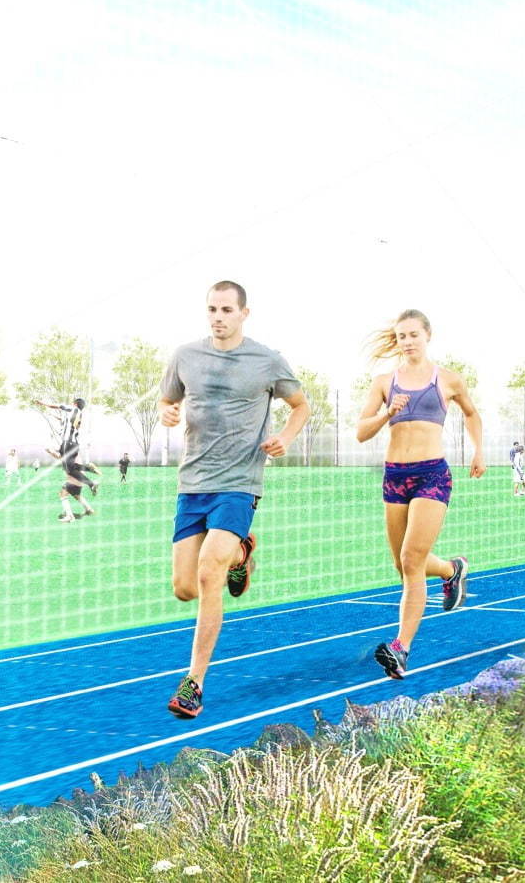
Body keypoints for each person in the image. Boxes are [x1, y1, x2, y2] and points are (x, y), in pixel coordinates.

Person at [161, 280, 309, 719]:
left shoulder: (266, 360)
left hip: (240, 482)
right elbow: (168, 400)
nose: (218, 317)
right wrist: (166, 411)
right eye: (212, 309)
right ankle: (242, 551)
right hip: (193, 483)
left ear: (244, 312)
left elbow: (300, 405)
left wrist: (284, 436)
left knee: (209, 574)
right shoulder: (185, 356)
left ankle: (194, 683)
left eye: (226, 309)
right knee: (184, 588)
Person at [356, 308, 483, 684]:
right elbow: (361, 432)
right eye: (402, 336)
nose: (407, 341)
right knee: (402, 565)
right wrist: (386, 414)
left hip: (432, 474)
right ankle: (451, 569)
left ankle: (401, 648)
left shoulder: (448, 380)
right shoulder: (383, 382)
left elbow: (472, 414)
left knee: (412, 561)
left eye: (413, 334)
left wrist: (478, 451)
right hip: (395, 477)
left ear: (428, 335)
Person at [37, 398, 97, 521]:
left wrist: (44, 403)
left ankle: (70, 516)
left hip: (75, 473)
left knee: (63, 493)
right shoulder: (78, 418)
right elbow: (63, 420)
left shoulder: (74, 409)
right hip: (75, 454)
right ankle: (89, 509)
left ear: (75, 404)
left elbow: (58, 405)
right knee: (76, 495)